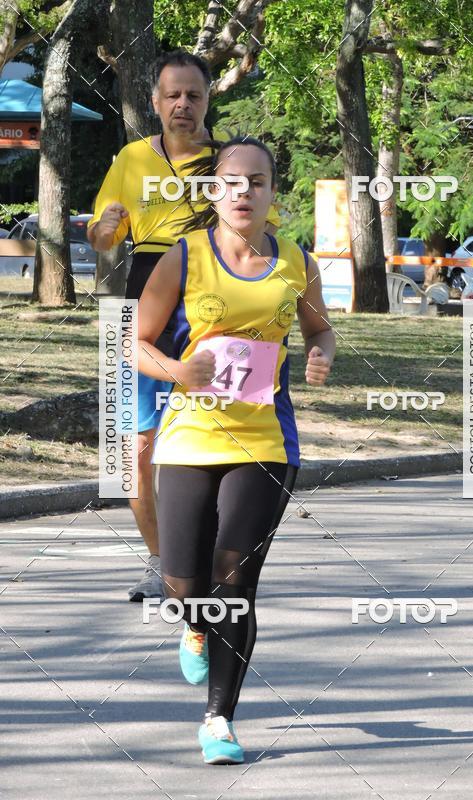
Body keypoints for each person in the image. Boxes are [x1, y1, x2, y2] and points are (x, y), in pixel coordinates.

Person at [137, 136, 335, 764]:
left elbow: (320, 327)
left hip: (264, 441)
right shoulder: (185, 256)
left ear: (274, 193)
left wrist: (322, 352)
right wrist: (175, 370)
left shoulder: (296, 262)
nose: (243, 191)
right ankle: (191, 622)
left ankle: (219, 720)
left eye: (256, 182)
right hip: (189, 438)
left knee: (235, 581)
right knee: (184, 581)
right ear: (212, 191)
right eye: (230, 181)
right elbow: (135, 342)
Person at [88, 49, 280, 601]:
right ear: (155, 102)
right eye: (172, 95)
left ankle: (217, 558)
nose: (183, 105)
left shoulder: (231, 161)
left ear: (207, 99)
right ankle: (160, 559)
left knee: (226, 436)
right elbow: (102, 242)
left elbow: (264, 231)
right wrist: (104, 228)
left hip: (213, 298)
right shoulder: (131, 159)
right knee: (135, 447)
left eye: (193, 95)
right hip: (142, 295)